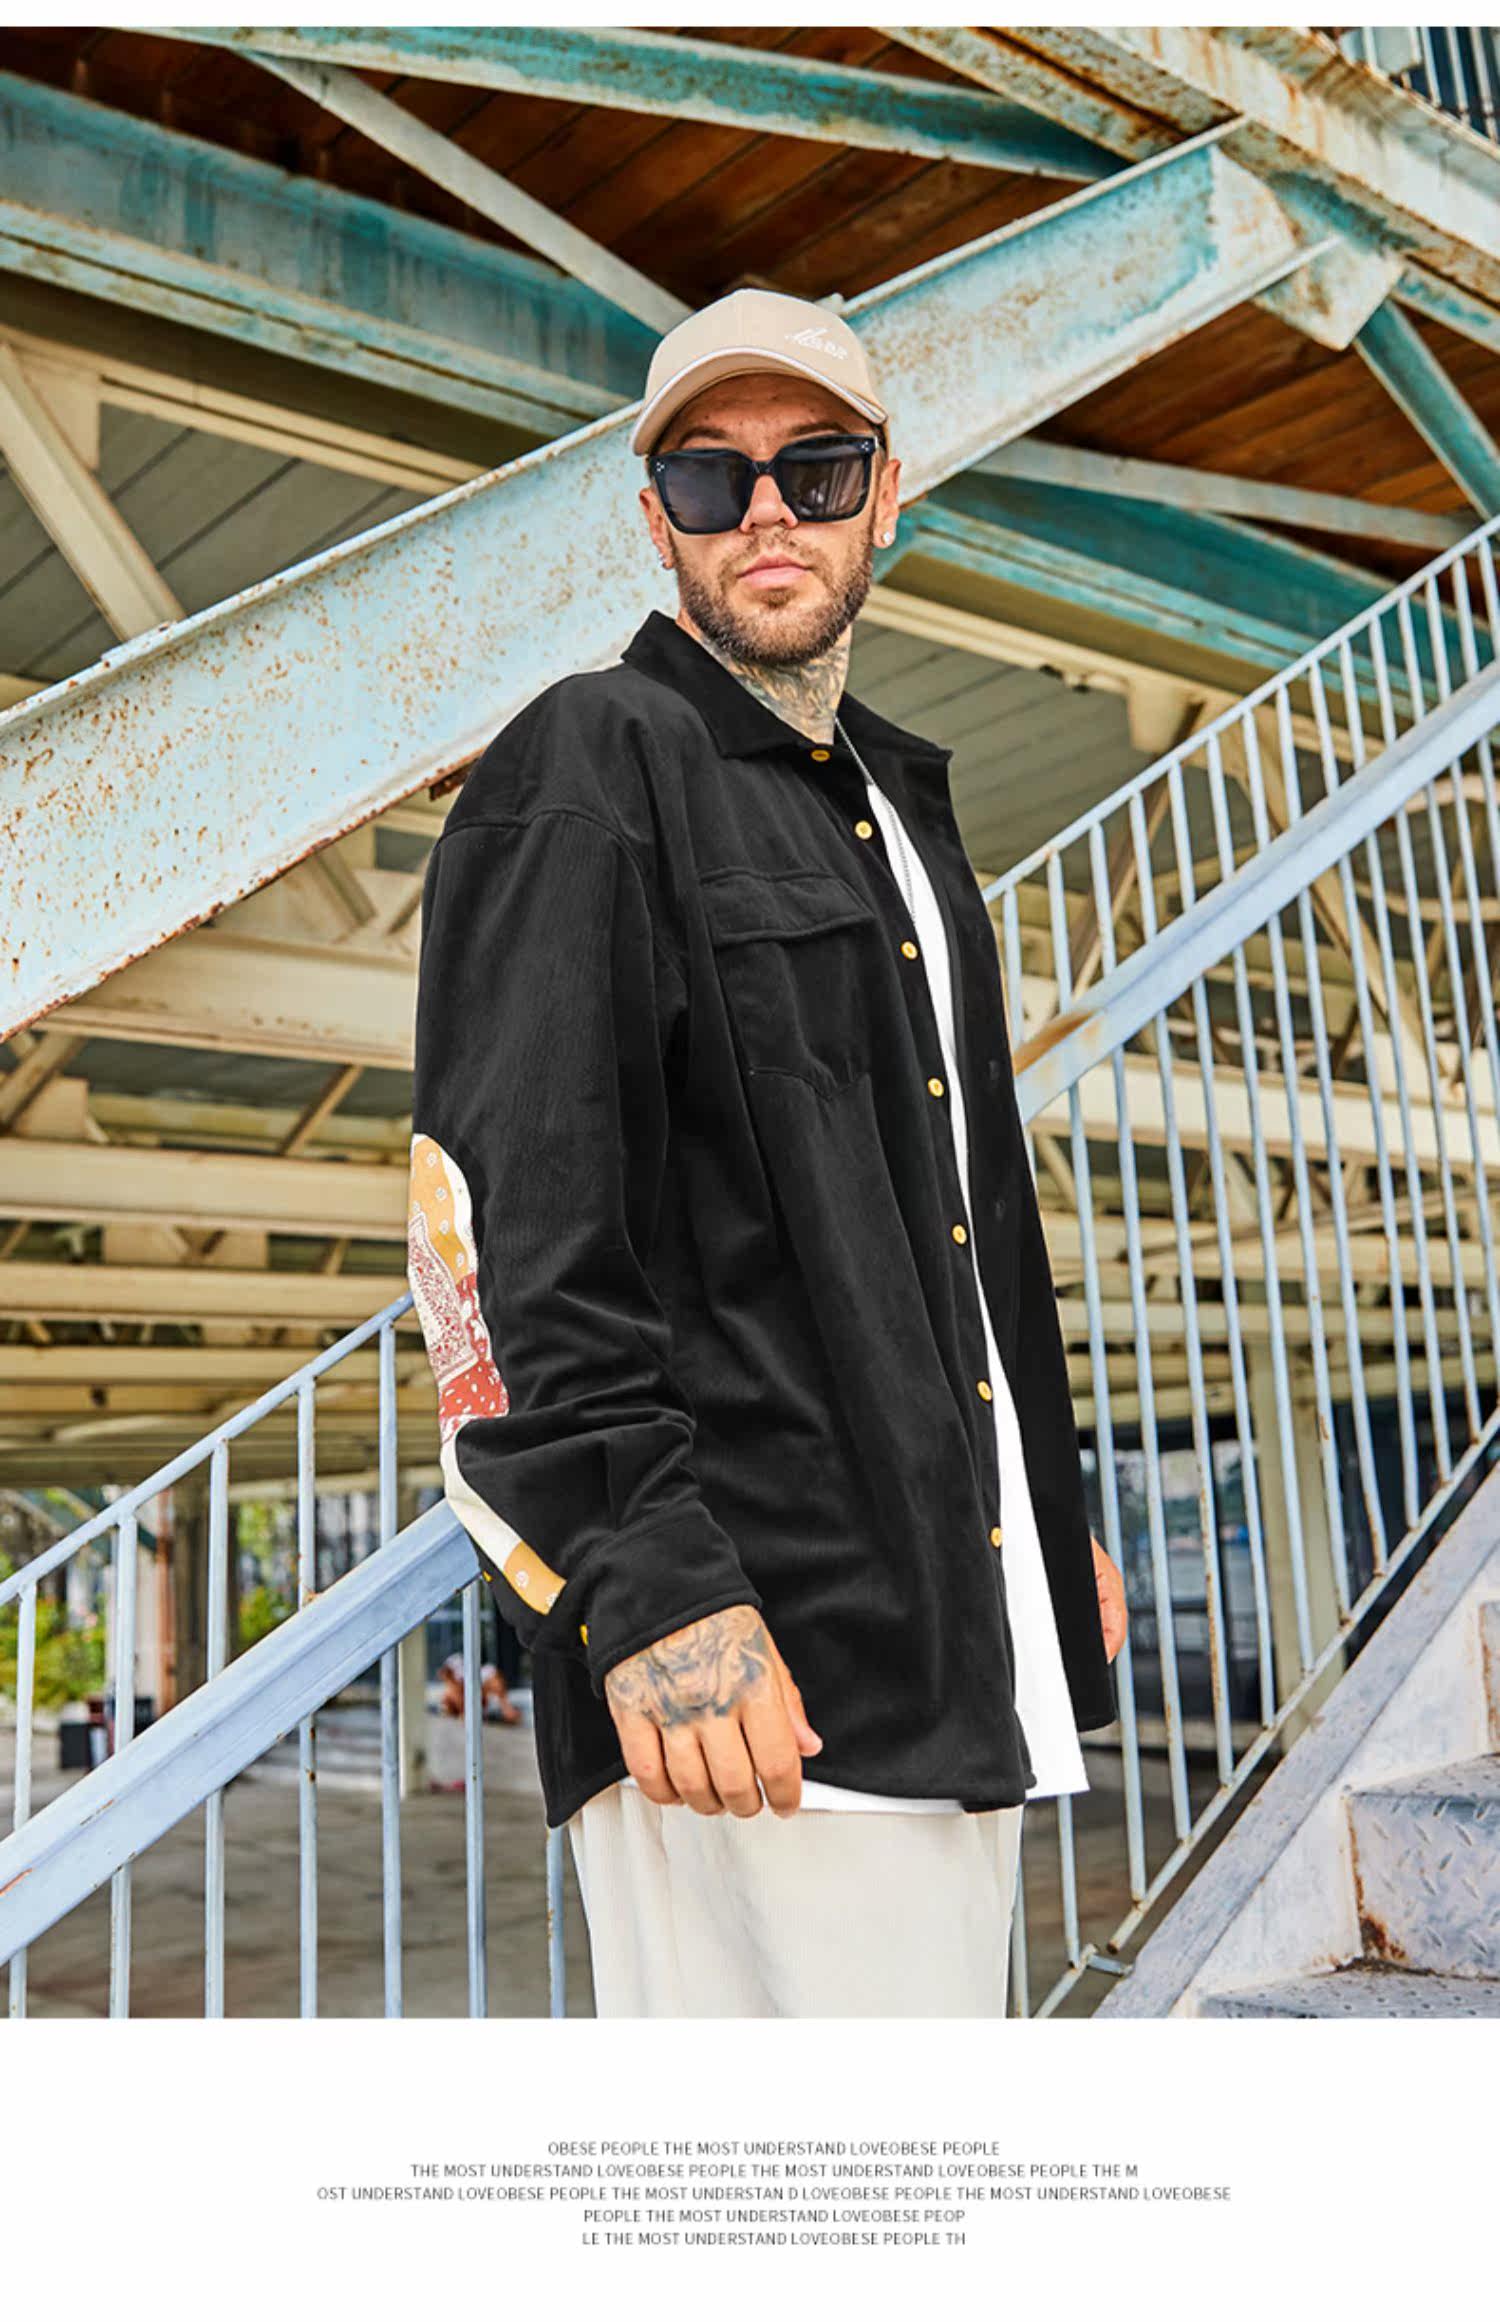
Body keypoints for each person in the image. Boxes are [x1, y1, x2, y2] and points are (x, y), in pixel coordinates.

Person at [407, 287, 1128, 2018]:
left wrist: (1042, 1509)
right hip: (752, 1682)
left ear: (889, 497)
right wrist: (650, 1588)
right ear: (654, 520)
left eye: (815, 468)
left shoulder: (899, 820)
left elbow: (957, 1227)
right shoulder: (590, 760)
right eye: (708, 478)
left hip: (952, 1646)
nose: (766, 513)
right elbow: (503, 1231)